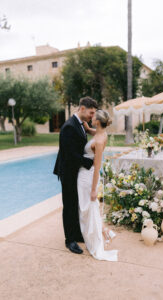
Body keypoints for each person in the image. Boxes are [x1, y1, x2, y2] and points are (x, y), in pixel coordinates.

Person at [53, 96, 98, 255]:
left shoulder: (80, 124)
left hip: (76, 171)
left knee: (76, 203)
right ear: (82, 109)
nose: (92, 116)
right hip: (68, 172)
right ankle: (69, 240)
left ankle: (77, 234)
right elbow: (69, 154)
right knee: (69, 205)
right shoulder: (69, 126)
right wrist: (87, 162)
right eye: (91, 113)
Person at [78, 109, 118, 261]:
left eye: (93, 117)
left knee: (87, 208)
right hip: (85, 175)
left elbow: (97, 167)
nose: (91, 117)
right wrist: (86, 127)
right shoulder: (101, 133)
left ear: (97, 121)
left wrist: (94, 189)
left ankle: (95, 238)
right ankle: (104, 231)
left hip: (88, 177)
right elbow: (93, 132)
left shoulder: (100, 140)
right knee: (88, 208)